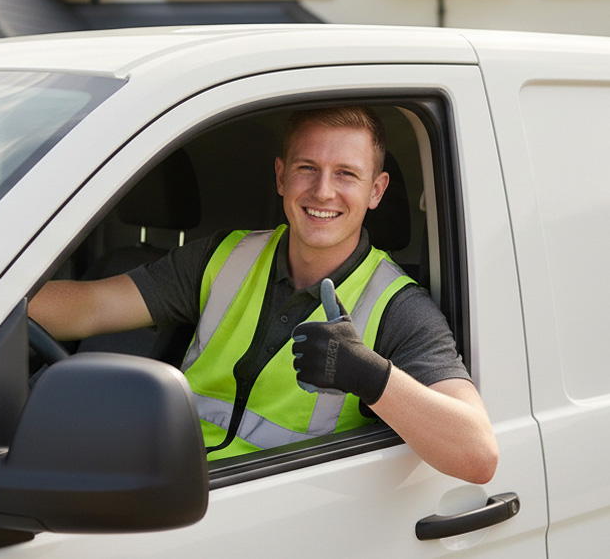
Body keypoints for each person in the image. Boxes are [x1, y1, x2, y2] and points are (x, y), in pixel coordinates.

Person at [30, 106, 498, 482]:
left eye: (346, 175)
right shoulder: (225, 255)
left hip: (270, 515)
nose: (322, 191)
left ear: (376, 191)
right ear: (280, 176)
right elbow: (91, 306)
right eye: (307, 168)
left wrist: (371, 376)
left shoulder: (399, 305)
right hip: (169, 481)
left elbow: (478, 455)